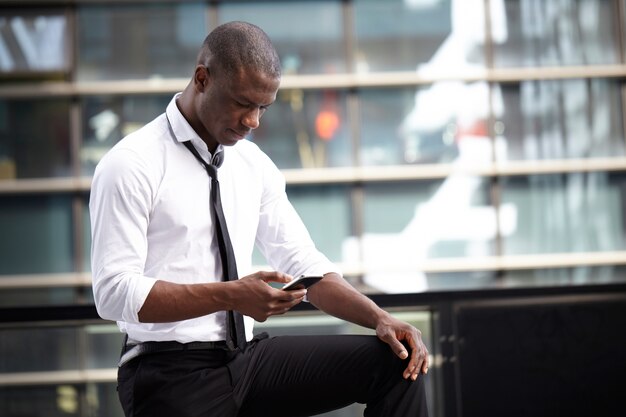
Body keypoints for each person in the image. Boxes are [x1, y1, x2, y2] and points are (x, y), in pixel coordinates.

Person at [90, 21, 429, 417]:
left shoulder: (252, 164)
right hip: (168, 373)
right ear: (202, 78)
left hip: (248, 360)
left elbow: (303, 261)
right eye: (242, 103)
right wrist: (233, 294)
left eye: (263, 107)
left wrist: (379, 318)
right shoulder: (131, 164)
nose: (253, 121)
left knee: (396, 362)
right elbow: (113, 292)